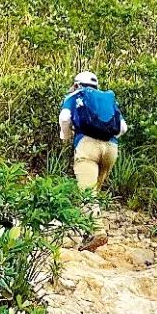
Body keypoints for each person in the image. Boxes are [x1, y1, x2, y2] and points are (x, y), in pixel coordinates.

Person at [59, 69, 127, 249]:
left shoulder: (75, 95)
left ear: (76, 84)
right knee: (93, 194)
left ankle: (96, 232)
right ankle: (87, 236)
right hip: (111, 149)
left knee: (87, 194)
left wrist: (65, 136)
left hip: (87, 147)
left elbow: (65, 117)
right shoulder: (108, 100)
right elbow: (122, 128)